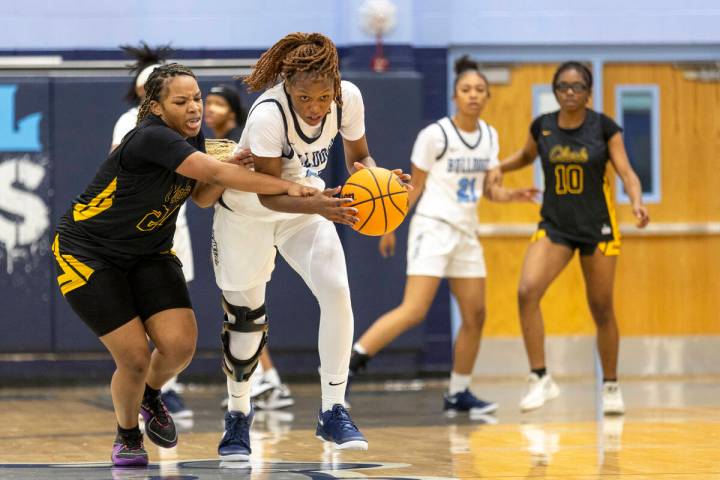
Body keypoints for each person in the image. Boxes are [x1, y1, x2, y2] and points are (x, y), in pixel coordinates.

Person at [52, 63, 316, 467]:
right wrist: (287, 185)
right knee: (136, 358)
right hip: (88, 252)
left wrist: (234, 170)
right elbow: (210, 170)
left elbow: (203, 196)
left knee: (179, 347)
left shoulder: (194, 137)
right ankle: (127, 435)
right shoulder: (150, 138)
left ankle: (148, 395)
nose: (195, 107)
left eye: (197, 97)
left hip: (149, 252)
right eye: (182, 101)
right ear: (156, 107)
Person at [208, 32, 410, 460]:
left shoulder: (348, 98)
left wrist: (382, 183)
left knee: (336, 291)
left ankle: (333, 409)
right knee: (245, 322)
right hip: (251, 211)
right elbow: (266, 191)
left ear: (335, 86)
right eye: (304, 97)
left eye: (322, 97)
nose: (315, 107)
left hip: (305, 206)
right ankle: (238, 414)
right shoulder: (267, 114)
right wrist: (317, 205)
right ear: (287, 86)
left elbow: (361, 160)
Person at [348, 56, 538, 417]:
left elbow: (490, 190)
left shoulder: (490, 137)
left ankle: (458, 392)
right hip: (433, 226)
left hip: (466, 232)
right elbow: (413, 188)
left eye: (480, 90)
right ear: (455, 95)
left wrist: (512, 195)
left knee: (475, 314)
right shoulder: (435, 135)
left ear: (487, 97)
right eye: (467, 90)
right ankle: (347, 369)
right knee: (413, 310)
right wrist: (390, 225)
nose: (473, 95)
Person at [500, 61, 650, 414]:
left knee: (601, 307)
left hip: (597, 228)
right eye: (563, 87)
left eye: (577, 87)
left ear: (588, 92)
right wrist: (497, 167)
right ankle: (540, 377)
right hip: (555, 225)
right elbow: (525, 156)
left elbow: (627, 172)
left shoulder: (604, 127)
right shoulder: (543, 127)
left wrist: (638, 202)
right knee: (526, 290)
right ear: (555, 91)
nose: (570, 93)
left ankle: (611, 385)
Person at [111, 43, 193, 421]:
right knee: (136, 319)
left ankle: (161, 389)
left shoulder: (191, 127)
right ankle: (140, 385)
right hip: (132, 232)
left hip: (172, 226)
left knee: (171, 319)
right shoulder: (131, 124)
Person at [204, 84, 295, 412]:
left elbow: (209, 194)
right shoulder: (210, 144)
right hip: (234, 221)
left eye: (217, 103)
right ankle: (265, 379)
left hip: (253, 225)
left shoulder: (243, 140)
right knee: (243, 310)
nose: (208, 109)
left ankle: (266, 379)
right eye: (207, 102)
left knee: (243, 311)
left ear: (232, 111)